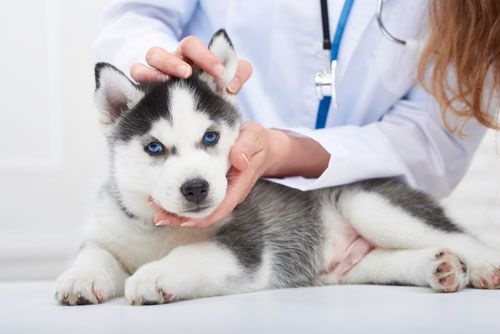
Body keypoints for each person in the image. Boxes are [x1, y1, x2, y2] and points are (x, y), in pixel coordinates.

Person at [94, 0, 499, 227]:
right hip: (215, 220)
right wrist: (154, 68)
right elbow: (138, 14)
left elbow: (433, 140)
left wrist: (285, 151)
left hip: (363, 223)